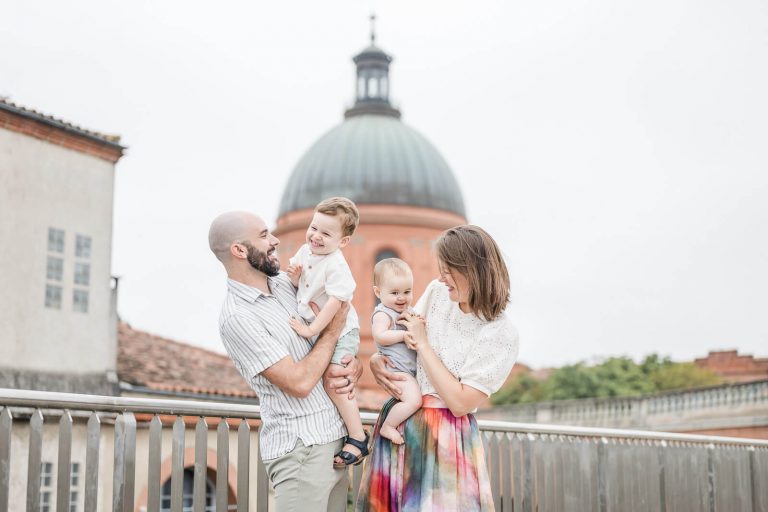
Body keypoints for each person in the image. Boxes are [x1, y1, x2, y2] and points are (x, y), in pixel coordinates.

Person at [208, 211, 363, 512]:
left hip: (335, 441)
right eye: (264, 235)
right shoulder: (238, 317)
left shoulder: (286, 285)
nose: (275, 240)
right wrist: (331, 332)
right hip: (300, 451)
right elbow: (299, 382)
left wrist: (351, 363)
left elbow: (332, 337)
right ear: (239, 251)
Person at [357, 225, 519, 512]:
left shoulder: (499, 333)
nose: (441, 277)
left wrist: (423, 344)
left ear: (472, 269)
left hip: (446, 437)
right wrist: (375, 361)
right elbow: (400, 340)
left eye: (448, 270)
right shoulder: (436, 293)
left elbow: (459, 402)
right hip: (402, 426)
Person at [286, 197, 368, 467]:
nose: (316, 236)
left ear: (343, 242)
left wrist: (311, 328)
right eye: (314, 228)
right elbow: (301, 285)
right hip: (319, 330)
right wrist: (295, 277)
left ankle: (357, 437)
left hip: (342, 331)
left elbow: (335, 305)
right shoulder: (304, 251)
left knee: (335, 378)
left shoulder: (337, 266)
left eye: (326, 233)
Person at [370, 258, 421, 445]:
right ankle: (388, 426)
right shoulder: (383, 313)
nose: (401, 297)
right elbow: (379, 335)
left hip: (407, 369)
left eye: (407, 292)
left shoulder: (408, 310)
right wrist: (403, 336)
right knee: (414, 401)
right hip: (397, 370)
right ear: (378, 292)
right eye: (394, 293)